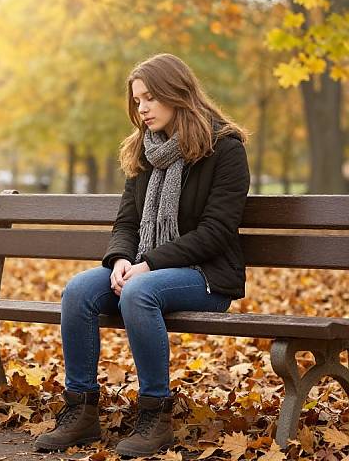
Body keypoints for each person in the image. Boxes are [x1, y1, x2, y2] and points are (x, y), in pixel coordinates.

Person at [35, 53, 250, 457]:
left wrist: (148, 264)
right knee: (79, 290)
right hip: (145, 269)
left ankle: (155, 415)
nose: (142, 108)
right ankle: (81, 411)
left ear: (177, 93)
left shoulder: (225, 149)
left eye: (150, 97)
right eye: (137, 100)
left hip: (206, 276)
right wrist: (120, 260)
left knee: (139, 292)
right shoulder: (144, 152)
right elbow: (126, 224)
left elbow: (216, 232)